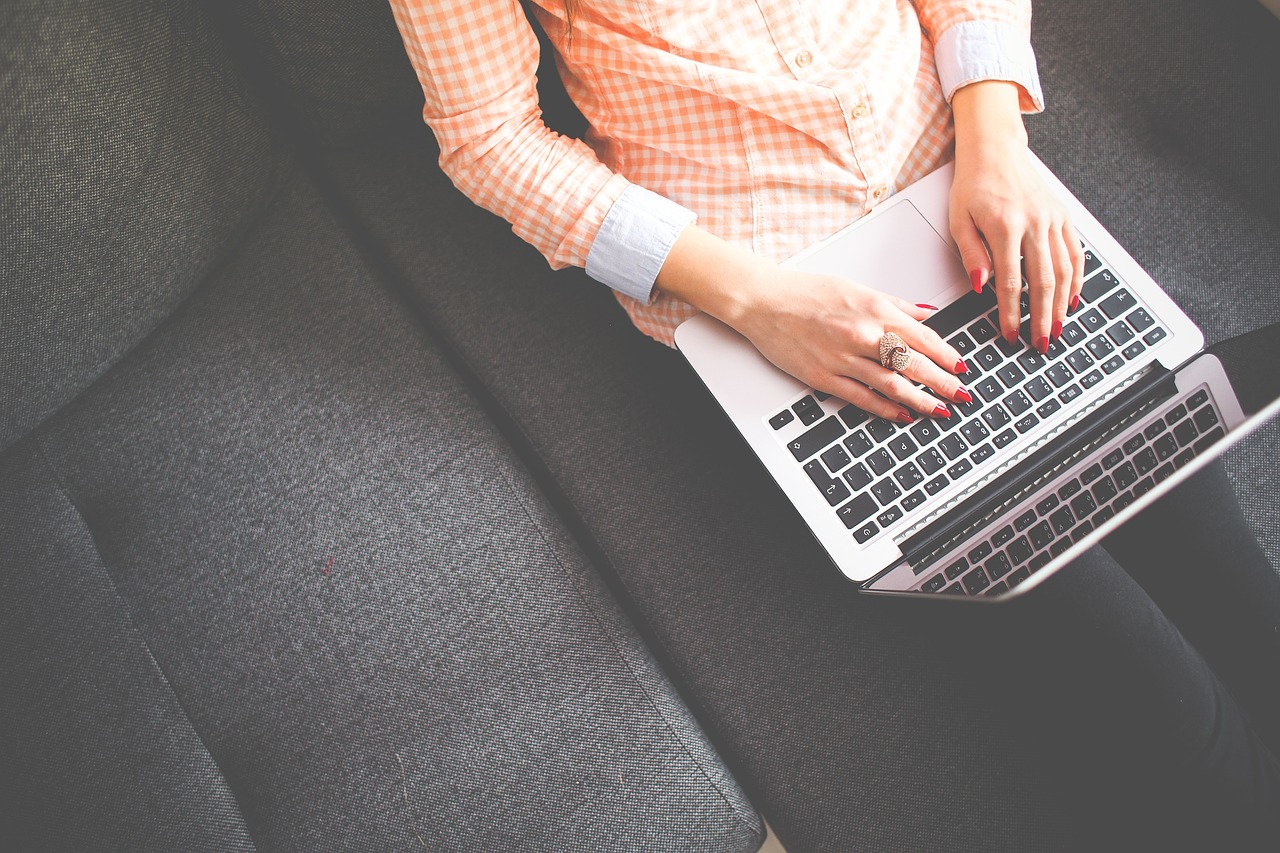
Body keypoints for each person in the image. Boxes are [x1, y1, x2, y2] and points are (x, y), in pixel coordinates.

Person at [389, 1, 1280, 844]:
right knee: (1176, 723)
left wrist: (998, 140)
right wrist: (761, 300)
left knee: (1244, 602)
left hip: (965, 196)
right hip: (776, 302)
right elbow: (490, 138)